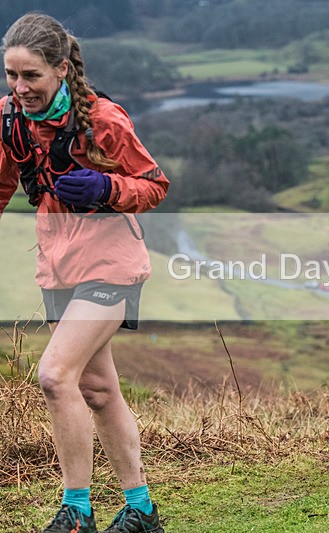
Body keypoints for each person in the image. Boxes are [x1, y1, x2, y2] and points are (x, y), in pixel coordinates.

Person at [0, 13, 169, 532]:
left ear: (60, 68)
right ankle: (141, 510)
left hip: (111, 263)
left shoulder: (103, 120)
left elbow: (155, 185)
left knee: (54, 375)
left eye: (31, 76)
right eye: (11, 75)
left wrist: (106, 190)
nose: (19, 87)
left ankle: (76, 510)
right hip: (58, 265)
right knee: (97, 390)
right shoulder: (10, 119)